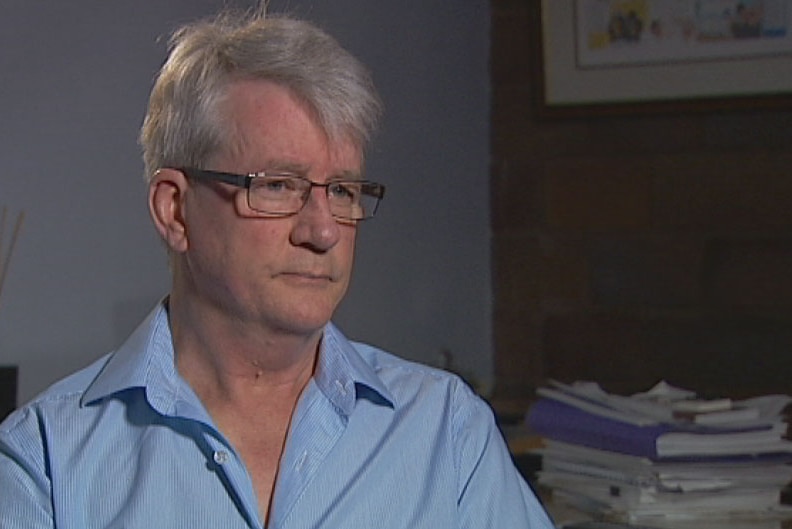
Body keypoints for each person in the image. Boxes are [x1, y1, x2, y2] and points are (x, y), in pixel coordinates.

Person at [0, 8, 555, 529]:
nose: (323, 231)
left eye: (343, 190)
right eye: (278, 186)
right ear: (175, 210)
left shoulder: (446, 432)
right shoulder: (45, 462)